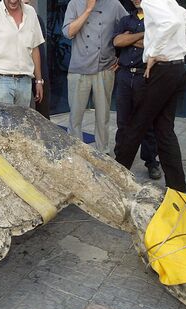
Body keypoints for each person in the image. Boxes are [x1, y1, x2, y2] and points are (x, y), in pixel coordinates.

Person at [114, 0, 186, 193]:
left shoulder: (152, 1)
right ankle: (178, 189)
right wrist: (179, 52)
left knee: (136, 124)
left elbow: (171, 24)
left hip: (162, 71)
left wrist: (154, 52)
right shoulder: (169, 2)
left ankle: (114, 180)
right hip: (176, 69)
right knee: (164, 130)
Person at [62, 0, 127, 154]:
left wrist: (121, 59)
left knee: (103, 116)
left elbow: (129, 27)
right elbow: (68, 32)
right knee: (75, 117)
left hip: (104, 68)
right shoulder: (74, 4)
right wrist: (88, 10)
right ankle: (75, 152)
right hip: (79, 68)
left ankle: (102, 152)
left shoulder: (114, 4)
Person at [113, 0, 161, 180]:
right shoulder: (125, 20)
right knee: (123, 122)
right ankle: (120, 162)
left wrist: (130, 38)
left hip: (145, 76)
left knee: (146, 123)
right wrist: (142, 36)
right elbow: (117, 41)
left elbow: (156, 46)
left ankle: (151, 162)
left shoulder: (157, 20)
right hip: (125, 76)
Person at [23, 0, 50, 119]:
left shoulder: (36, 19)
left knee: (42, 113)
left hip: (38, 72)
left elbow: (37, 49)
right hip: (19, 74)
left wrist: (39, 80)